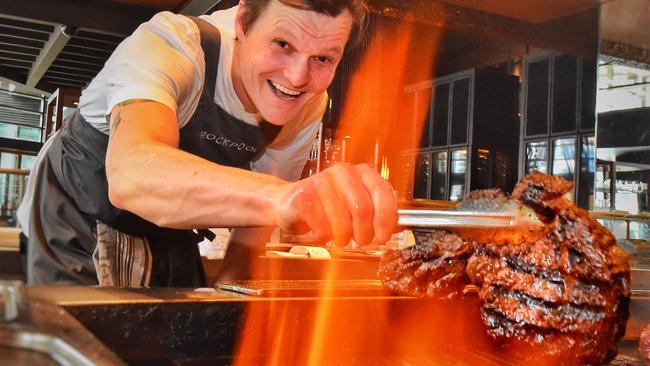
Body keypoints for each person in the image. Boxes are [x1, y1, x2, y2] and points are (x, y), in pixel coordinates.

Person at [25, 0, 397, 287]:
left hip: (171, 227)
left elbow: (254, 231)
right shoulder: (172, 44)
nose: (298, 77)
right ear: (242, 21)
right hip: (76, 215)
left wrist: (230, 306)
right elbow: (132, 174)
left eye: (322, 58)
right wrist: (285, 197)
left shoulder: (310, 102)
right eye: (282, 44)